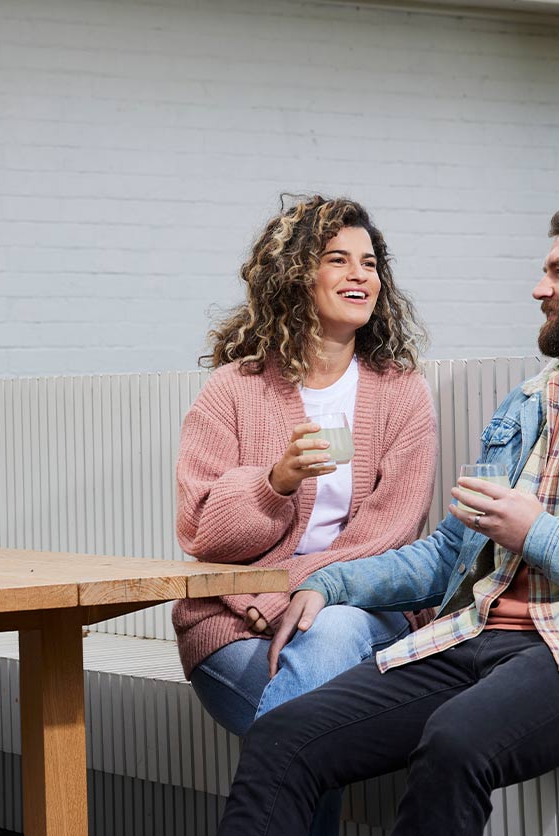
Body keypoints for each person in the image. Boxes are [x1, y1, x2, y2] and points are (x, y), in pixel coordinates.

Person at [215, 205, 559, 836]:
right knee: (284, 736)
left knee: (453, 742)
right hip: (476, 636)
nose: (540, 288)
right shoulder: (528, 404)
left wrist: (539, 533)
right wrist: (330, 583)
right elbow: (448, 554)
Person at [174, 195, 437, 836]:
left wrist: (298, 588)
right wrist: (274, 483)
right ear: (296, 276)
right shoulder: (235, 388)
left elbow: (391, 533)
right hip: (234, 628)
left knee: (336, 634)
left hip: (355, 614)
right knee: (317, 713)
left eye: (370, 263)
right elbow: (202, 531)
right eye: (338, 259)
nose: (360, 276)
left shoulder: (400, 391)